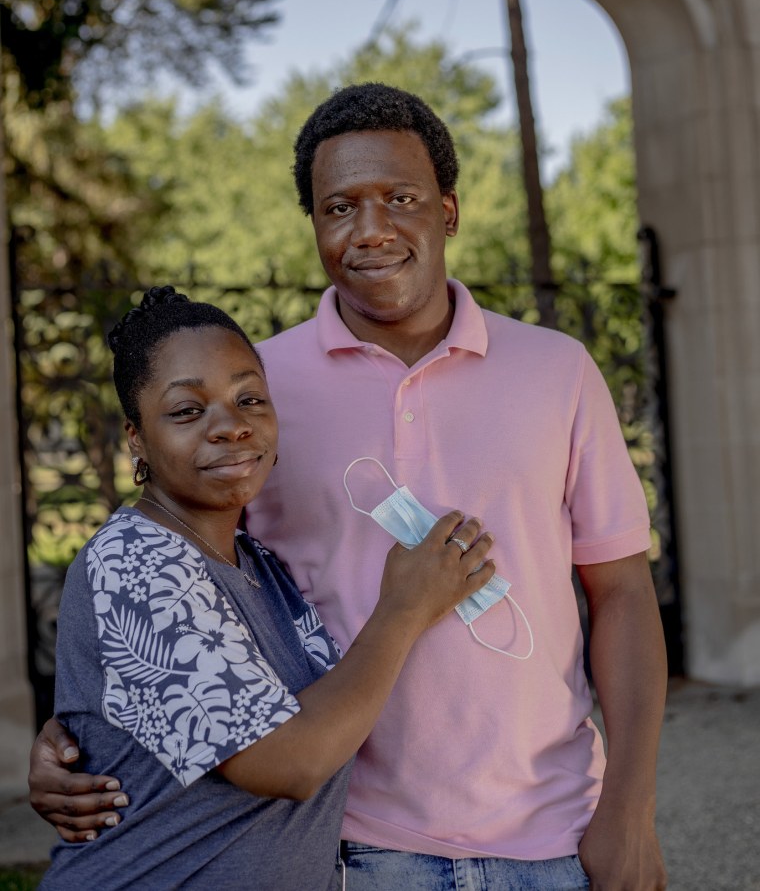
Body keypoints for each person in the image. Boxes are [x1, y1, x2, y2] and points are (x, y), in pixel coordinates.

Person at [30, 84, 668, 890]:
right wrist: (78, 733)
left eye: (400, 199)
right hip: (344, 846)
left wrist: (631, 807)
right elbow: (175, 587)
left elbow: (623, 593)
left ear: (449, 210)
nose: (370, 230)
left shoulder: (558, 371)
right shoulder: (257, 389)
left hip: (552, 833)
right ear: (316, 225)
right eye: (339, 207)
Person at [35, 284, 494, 890]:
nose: (231, 426)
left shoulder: (258, 564)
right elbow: (289, 762)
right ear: (136, 439)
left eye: (249, 398)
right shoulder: (134, 561)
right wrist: (405, 610)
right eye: (186, 410)